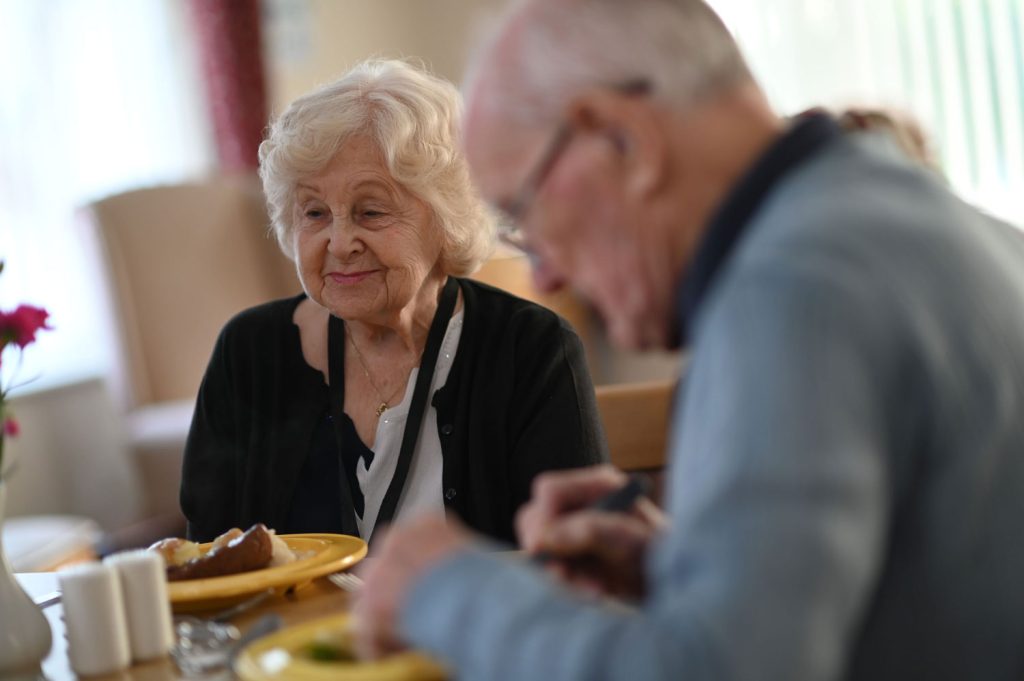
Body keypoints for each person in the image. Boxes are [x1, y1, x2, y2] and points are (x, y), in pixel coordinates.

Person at [352, 1, 1024, 679]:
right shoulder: (921, 218)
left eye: (523, 212)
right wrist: (687, 569)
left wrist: (450, 591)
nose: (545, 273)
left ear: (623, 139)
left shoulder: (788, 292)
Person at [180, 59, 607, 546]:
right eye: (315, 213)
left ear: (446, 218)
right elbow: (209, 563)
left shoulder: (532, 351)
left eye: (371, 211)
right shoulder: (249, 354)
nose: (340, 243)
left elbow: (575, 563)